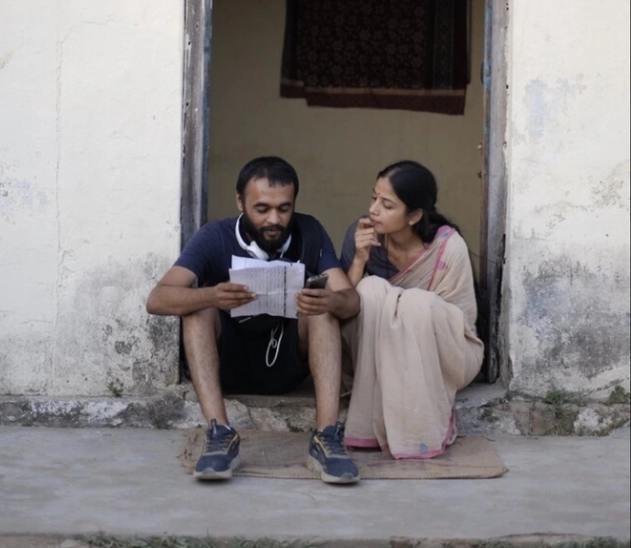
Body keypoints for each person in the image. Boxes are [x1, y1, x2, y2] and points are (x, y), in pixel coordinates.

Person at [147, 156, 361, 484]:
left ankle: (326, 437)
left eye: (284, 209)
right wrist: (212, 296)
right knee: (197, 309)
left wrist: (331, 300)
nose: (274, 219)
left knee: (323, 312)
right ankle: (220, 432)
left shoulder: (310, 232)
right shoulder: (215, 236)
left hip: (286, 363)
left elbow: (351, 300)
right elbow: (157, 299)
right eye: (262, 209)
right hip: (228, 365)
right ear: (240, 202)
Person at [339, 160, 484, 459]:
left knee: (418, 303)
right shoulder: (361, 235)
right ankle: (367, 429)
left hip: (446, 355)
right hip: (374, 355)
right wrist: (359, 259)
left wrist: (404, 307)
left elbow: (459, 322)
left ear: (414, 215)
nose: (374, 210)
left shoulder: (448, 247)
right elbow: (343, 306)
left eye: (387, 205)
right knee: (369, 289)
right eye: (373, 198)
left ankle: (418, 432)